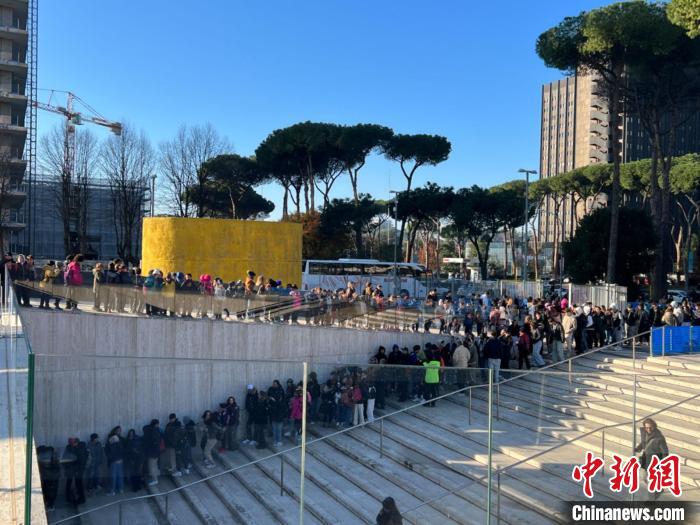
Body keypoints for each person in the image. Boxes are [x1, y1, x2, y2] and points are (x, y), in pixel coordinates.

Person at [62, 437, 87, 505]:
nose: (72, 444)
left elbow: (81, 461)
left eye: (72, 443)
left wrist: (78, 470)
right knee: (71, 482)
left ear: (76, 443)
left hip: (77, 469)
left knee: (78, 484)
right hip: (71, 469)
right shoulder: (69, 447)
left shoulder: (80, 448)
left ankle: (81, 498)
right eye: (70, 443)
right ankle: (70, 497)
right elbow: (65, 457)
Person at [105, 426, 125, 495]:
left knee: (114, 476)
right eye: (118, 430)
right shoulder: (120, 440)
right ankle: (120, 489)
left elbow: (108, 451)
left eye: (120, 430)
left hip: (114, 461)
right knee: (119, 476)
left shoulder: (112, 440)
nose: (119, 431)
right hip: (118, 460)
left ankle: (112, 490)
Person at [142, 419, 162, 486]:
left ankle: (155, 479)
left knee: (151, 466)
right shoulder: (155, 432)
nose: (158, 425)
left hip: (151, 451)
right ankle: (155, 478)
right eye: (158, 424)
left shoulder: (148, 430)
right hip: (155, 451)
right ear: (155, 424)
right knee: (153, 465)